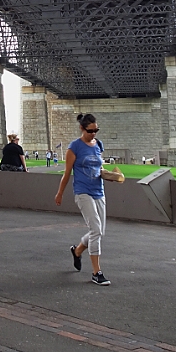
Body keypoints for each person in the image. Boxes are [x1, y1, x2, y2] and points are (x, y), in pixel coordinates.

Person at [54, 113, 123, 287]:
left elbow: (99, 167)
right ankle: (96, 272)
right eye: (90, 131)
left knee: (99, 231)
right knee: (96, 230)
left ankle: (77, 251)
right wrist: (60, 193)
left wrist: (110, 176)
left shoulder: (98, 145)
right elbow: (67, 173)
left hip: (99, 191)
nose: (93, 134)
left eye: (96, 131)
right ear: (82, 128)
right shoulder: (74, 147)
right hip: (83, 192)